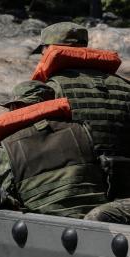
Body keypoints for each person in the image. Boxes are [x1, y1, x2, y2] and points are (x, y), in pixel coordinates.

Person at [0, 80, 109, 219]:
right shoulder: (84, 133)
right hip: (92, 227)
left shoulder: (9, 148)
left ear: (16, 108)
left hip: (42, 236)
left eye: (10, 108)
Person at [31, 22, 130, 223]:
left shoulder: (49, 90)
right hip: (123, 198)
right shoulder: (125, 87)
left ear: (49, 50)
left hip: (75, 199)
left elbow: (27, 149)